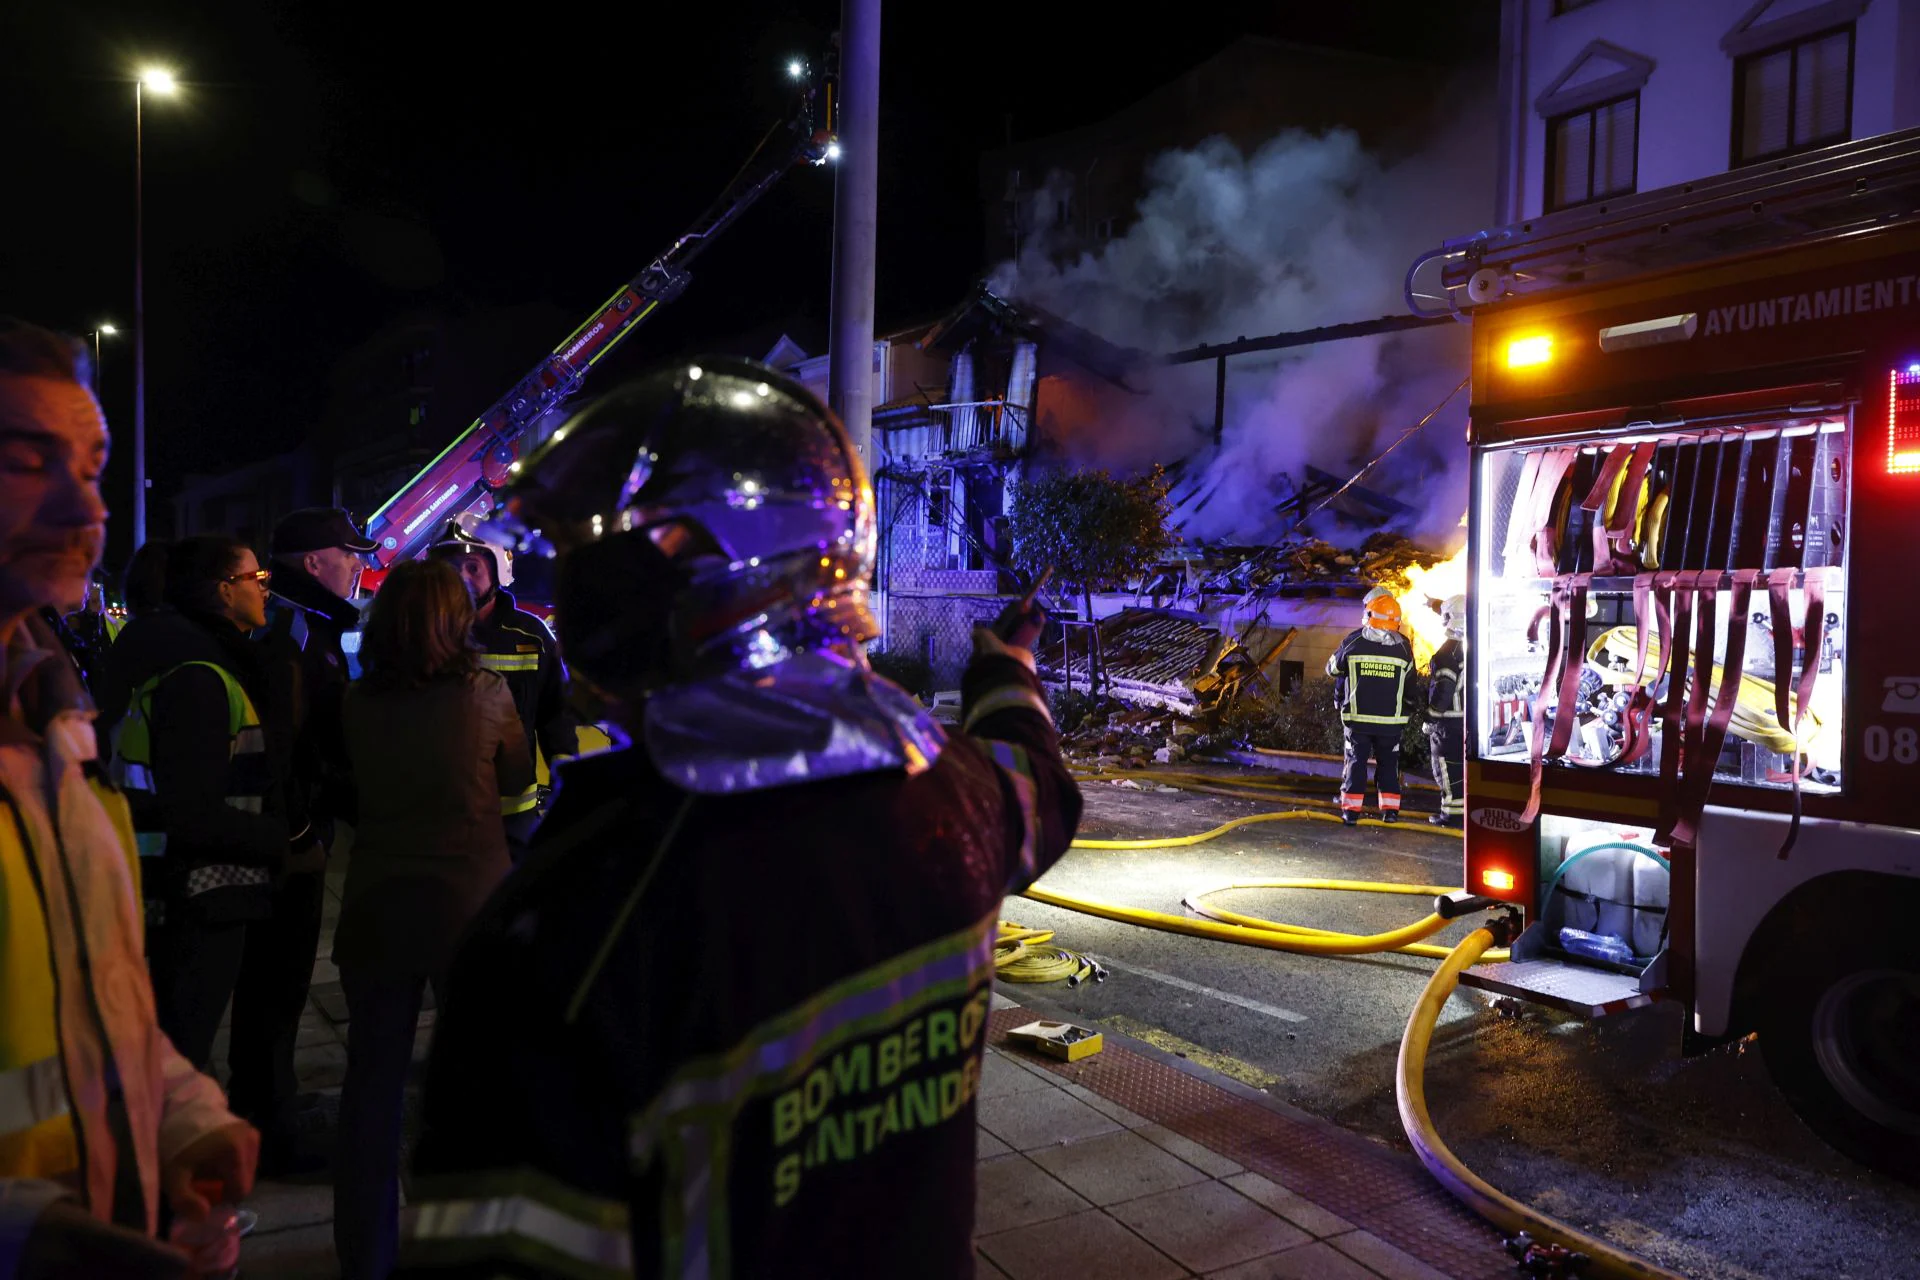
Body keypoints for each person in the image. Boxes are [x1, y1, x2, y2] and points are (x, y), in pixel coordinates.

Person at [395, 358, 1082, 1280]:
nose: (580, 605)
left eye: (605, 573)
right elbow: (1036, 782)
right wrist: (1008, 672)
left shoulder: (569, 927)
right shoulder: (955, 791)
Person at [0, 317, 256, 1273]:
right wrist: (29, 1237)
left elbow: (94, 1008)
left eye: (94, 464)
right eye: (28, 461)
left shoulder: (54, 724)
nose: (86, 509)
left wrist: (180, 1120)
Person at [332, 558, 532, 1280]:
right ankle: (475, 1247)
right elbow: (515, 775)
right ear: (458, 620)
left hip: (377, 904)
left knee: (371, 1091)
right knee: (477, 1087)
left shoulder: (357, 701)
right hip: (470, 908)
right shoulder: (486, 693)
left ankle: (366, 1258)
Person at [114, 535, 309, 1073]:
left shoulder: (193, 657)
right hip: (193, 895)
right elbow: (191, 809)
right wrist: (275, 839)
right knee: (181, 1052)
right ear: (225, 591)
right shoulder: (201, 674)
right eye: (256, 578)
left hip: (189, 888)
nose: (266, 588)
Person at [232, 507, 374, 1175]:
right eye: (350, 554)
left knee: (281, 982)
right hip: (288, 835)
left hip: (294, 825)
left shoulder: (299, 620)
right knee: (277, 978)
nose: (359, 565)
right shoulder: (289, 628)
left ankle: (273, 1102)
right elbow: (287, 746)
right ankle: (268, 1127)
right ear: (315, 562)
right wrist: (296, 832)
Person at [426, 517, 576, 857]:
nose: (461, 578)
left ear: (497, 571)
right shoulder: (424, 633)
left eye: (472, 567)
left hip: (511, 815)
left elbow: (556, 715)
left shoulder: (532, 636)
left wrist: (566, 778)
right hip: (441, 813)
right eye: (450, 568)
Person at [1326, 589, 1414, 824]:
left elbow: (1332, 670)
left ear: (1369, 613)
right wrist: (1409, 710)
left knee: (1355, 763)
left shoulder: (1353, 641)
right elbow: (1411, 687)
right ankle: (1390, 812)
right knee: (1389, 765)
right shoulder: (1404, 647)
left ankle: (1351, 812)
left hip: (1358, 720)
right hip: (1391, 723)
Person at [1427, 594, 1466, 828]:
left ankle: (1450, 815)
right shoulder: (1474, 646)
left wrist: (1430, 717)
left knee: (1446, 771)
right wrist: (1433, 604)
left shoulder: (1446, 654)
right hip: (1467, 722)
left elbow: (1444, 690)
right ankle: (1461, 812)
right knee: (1460, 771)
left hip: (1447, 723)